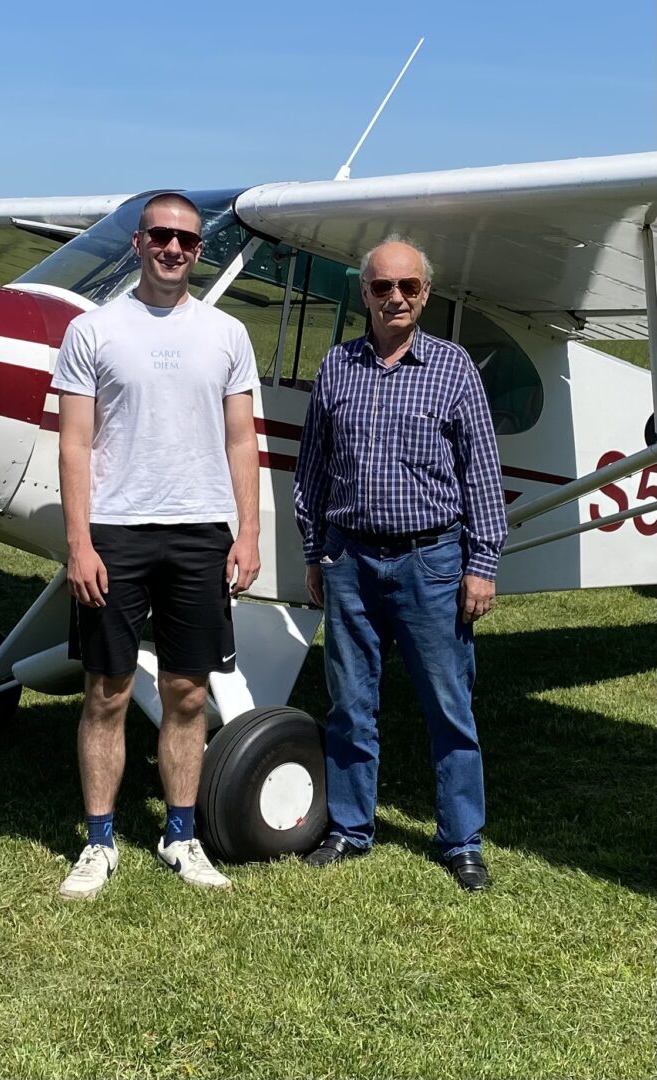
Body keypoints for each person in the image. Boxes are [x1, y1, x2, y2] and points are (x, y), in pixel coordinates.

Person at [50, 192, 261, 900]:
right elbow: (74, 444)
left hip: (200, 532)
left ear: (199, 251)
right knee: (106, 690)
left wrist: (248, 532)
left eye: (188, 240)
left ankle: (180, 834)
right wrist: (79, 543)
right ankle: (98, 841)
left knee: (187, 691)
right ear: (137, 242)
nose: (174, 249)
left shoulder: (227, 334)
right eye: (161, 236)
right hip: (116, 532)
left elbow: (241, 440)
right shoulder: (93, 330)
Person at [293, 236, 507, 892]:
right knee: (350, 703)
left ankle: (460, 841)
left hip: (432, 561)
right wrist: (315, 551)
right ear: (364, 293)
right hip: (350, 559)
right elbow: (312, 471)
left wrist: (481, 564)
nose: (395, 298)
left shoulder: (453, 367)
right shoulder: (337, 367)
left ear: (425, 293)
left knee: (448, 705)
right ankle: (350, 828)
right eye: (382, 287)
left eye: (408, 287)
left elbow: (481, 474)